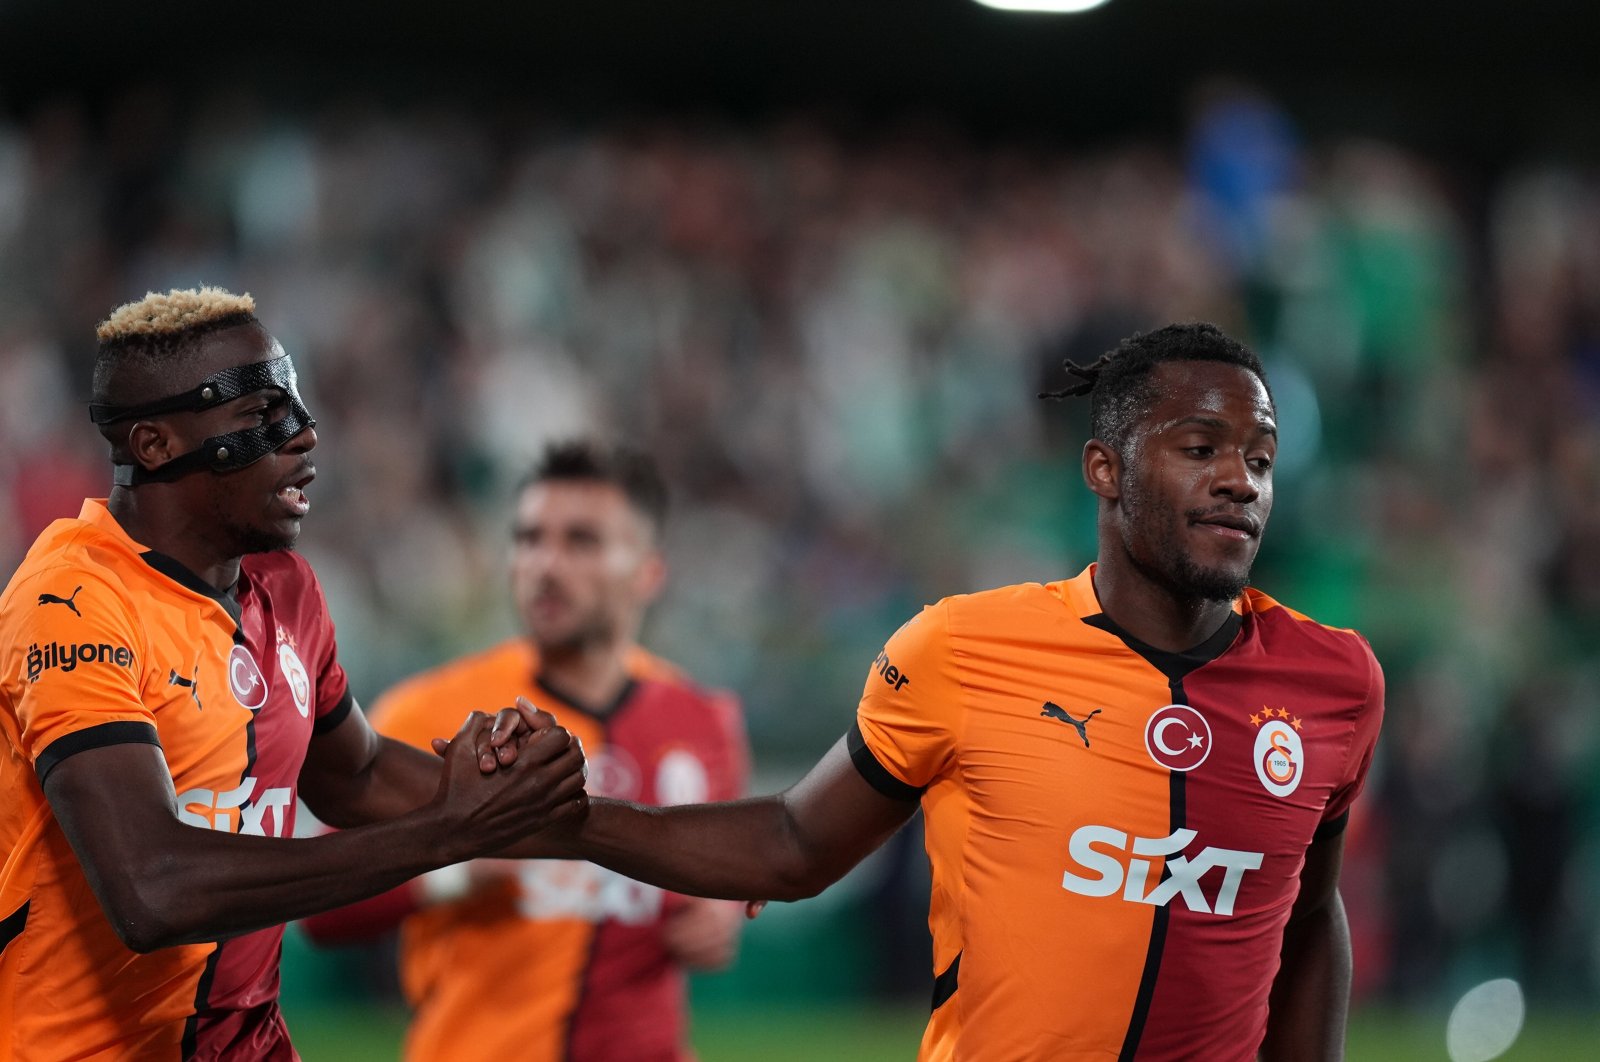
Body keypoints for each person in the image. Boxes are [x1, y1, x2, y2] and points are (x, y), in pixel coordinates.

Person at [525, 323, 1386, 1061]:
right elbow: (794, 842)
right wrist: (572, 819)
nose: (1242, 480)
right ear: (1105, 470)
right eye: (1201, 449)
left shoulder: (1335, 682)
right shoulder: (964, 648)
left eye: (1262, 458)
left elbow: (1307, 916)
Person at [0, 288, 587, 1060]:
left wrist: (561, 815)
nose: (304, 435)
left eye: (295, 406)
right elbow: (153, 891)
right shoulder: (68, 602)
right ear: (154, 443)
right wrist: (448, 832)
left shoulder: (286, 588)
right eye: (257, 416)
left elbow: (360, 774)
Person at [301, 440, 749, 1062]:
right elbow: (319, 911)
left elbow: (718, 883)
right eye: (530, 538)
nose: (545, 563)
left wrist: (720, 918)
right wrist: (453, 872)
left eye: (581, 542)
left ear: (649, 571)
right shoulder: (428, 711)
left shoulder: (704, 720)